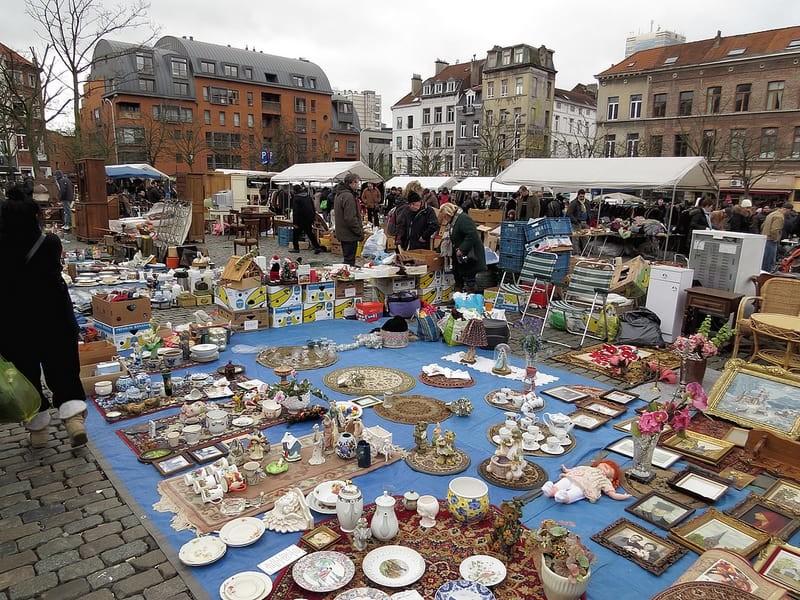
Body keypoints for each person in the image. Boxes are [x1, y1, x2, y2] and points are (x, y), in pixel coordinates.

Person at [0, 184, 87, 448]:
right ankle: (73, 420)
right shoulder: (49, 242)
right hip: (53, 317)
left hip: (12, 321)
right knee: (63, 369)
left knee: (25, 375)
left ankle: (37, 431)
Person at [438, 202, 486, 293]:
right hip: (461, 257)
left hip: (470, 257)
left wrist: (462, 249)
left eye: (445, 216)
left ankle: (470, 299)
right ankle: (460, 298)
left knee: (469, 279)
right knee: (460, 278)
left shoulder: (463, 219)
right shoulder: (454, 221)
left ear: (449, 213)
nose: (445, 219)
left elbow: (472, 235)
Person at [334, 173, 363, 266]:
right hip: (349, 234)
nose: (358, 185)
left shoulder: (340, 194)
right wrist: (359, 231)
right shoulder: (348, 196)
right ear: (352, 183)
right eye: (357, 182)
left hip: (344, 233)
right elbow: (350, 218)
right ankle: (348, 278)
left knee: (348, 259)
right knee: (349, 261)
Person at [290, 185, 322, 254]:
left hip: (300, 219)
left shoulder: (296, 198)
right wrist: (313, 218)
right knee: (310, 233)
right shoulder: (308, 196)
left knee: (295, 234)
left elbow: (296, 211)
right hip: (309, 218)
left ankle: (296, 248)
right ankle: (317, 247)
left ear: (295, 191)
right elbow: (313, 208)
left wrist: (295, 222)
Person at [761, 202, 793, 272]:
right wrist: (776, 238)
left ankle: (762, 274)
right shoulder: (779, 216)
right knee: (769, 261)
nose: (789, 213)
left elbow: (762, 226)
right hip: (771, 240)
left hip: (765, 238)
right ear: (787, 209)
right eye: (790, 211)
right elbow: (775, 230)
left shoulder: (771, 214)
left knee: (764, 260)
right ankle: (766, 276)